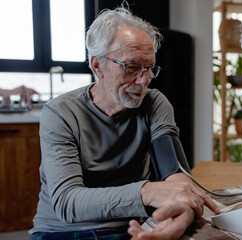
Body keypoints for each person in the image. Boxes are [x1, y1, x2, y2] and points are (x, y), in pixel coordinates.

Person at [29, 5, 219, 240]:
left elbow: (175, 175)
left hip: (129, 229)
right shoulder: (60, 113)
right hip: (62, 232)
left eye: (149, 68)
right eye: (131, 67)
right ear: (97, 65)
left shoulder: (155, 103)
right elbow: (68, 202)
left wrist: (182, 215)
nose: (143, 80)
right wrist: (146, 192)